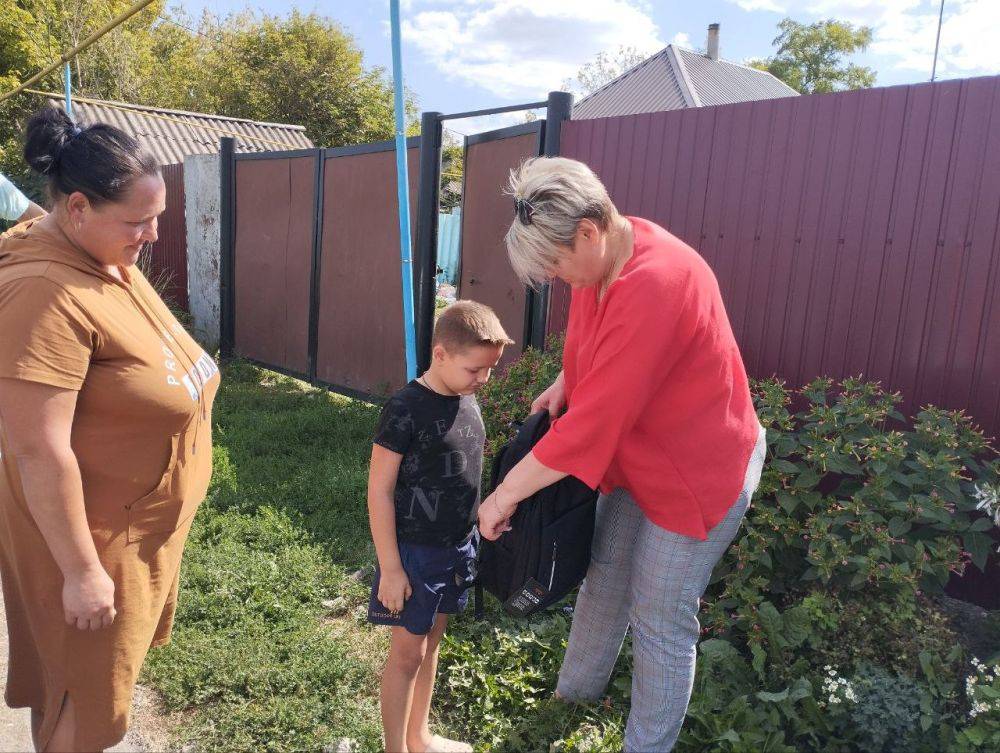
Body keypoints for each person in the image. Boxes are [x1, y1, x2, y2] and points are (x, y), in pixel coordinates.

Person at [478, 156, 767, 752]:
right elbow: (602, 346)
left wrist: (502, 497)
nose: (560, 279)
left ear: (589, 230)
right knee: (603, 578)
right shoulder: (610, 251)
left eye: (556, 264)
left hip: (698, 469)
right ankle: (571, 700)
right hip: (638, 452)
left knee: (660, 616)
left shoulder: (659, 279)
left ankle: (646, 746)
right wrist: (567, 377)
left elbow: (588, 432)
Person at [0, 105, 220, 752]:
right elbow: (36, 448)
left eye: (157, 215)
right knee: (87, 707)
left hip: (132, 525)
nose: (152, 233)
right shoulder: (44, 292)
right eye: (138, 220)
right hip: (94, 542)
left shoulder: (104, 259)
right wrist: (81, 571)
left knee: (81, 689)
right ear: (75, 209)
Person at [367, 301, 512, 753]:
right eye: (475, 369)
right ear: (441, 354)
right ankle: (396, 748)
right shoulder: (404, 408)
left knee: (431, 645)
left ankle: (420, 736)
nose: (483, 380)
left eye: (489, 370)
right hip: (414, 554)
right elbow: (379, 491)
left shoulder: (465, 398)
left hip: (458, 548)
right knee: (407, 653)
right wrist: (391, 569)